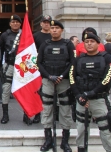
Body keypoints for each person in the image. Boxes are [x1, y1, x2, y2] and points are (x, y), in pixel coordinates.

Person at [70, 32, 111, 152]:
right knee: (81, 130)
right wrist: (79, 95)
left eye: (92, 42)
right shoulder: (78, 59)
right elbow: (72, 78)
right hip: (82, 101)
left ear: (98, 43)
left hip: (99, 100)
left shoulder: (107, 58)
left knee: (106, 130)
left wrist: (89, 94)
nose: (89, 44)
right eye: (86, 42)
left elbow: (107, 79)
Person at [37, 20, 75, 152]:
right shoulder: (44, 45)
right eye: (52, 28)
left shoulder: (68, 44)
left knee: (65, 110)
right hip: (48, 81)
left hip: (63, 82)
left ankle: (65, 142)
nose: (54, 30)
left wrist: (62, 76)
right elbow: (39, 63)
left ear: (61, 30)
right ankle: (48, 140)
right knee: (47, 110)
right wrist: (49, 76)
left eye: (56, 28)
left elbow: (72, 62)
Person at [0, 15, 31, 124]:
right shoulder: (4, 35)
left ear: (20, 23)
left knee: (24, 91)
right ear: (10, 23)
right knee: (6, 90)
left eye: (17, 22)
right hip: (10, 65)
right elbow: (0, 51)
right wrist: (0, 68)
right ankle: (5, 115)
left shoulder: (25, 34)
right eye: (13, 22)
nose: (15, 23)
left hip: (23, 66)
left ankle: (26, 115)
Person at [32, 14, 52, 124]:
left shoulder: (54, 35)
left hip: (51, 67)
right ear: (41, 24)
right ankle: (37, 114)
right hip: (38, 67)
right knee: (38, 91)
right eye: (44, 22)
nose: (46, 24)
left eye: (48, 22)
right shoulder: (36, 36)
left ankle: (54, 113)